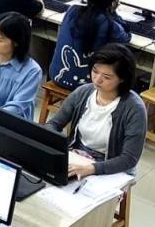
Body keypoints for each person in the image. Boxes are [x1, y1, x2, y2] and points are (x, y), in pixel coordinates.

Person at [45, 43, 146, 178]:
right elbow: (54, 124)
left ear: (122, 79)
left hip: (112, 166)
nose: (98, 80)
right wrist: (58, 146)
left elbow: (129, 159)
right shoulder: (83, 92)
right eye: (95, 71)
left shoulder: (134, 108)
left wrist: (92, 168)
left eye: (107, 77)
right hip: (78, 156)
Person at [49, 0, 130, 90]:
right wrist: (113, 12)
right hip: (85, 86)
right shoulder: (110, 24)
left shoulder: (72, 10)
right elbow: (126, 37)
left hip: (57, 75)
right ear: (112, 2)